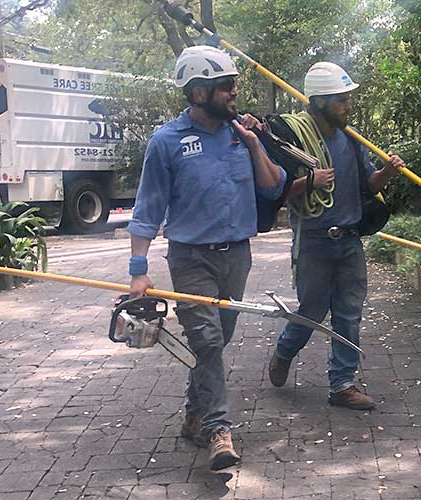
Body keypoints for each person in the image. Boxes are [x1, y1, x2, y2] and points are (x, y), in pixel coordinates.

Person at [126, 45, 286, 470]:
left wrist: (254, 144)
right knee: (209, 341)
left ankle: (194, 414)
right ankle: (219, 429)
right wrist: (138, 272)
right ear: (199, 93)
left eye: (234, 84)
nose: (234, 93)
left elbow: (273, 187)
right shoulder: (167, 143)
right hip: (191, 259)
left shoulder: (242, 135)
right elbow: (147, 210)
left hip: (237, 256)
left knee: (217, 342)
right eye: (226, 86)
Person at [266, 62, 405, 410]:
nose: (348, 106)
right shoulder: (293, 140)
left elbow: (368, 186)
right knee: (312, 310)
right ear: (319, 102)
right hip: (313, 239)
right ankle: (285, 350)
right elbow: (274, 192)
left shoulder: (351, 138)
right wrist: (308, 182)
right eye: (341, 100)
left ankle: (342, 384)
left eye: (347, 99)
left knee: (349, 311)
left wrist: (387, 171)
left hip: (349, 239)